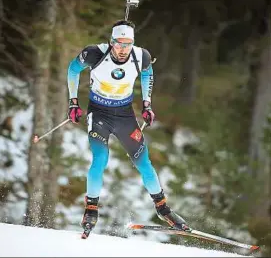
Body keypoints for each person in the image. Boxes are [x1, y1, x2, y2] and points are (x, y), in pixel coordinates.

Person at [66, 20, 190, 234]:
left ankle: (163, 209)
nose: (123, 49)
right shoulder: (94, 53)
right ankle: (91, 209)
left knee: (143, 161)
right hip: (99, 114)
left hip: (125, 115)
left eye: (128, 44)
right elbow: (73, 69)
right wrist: (73, 102)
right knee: (100, 159)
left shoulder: (141, 56)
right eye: (119, 44)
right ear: (111, 41)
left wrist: (147, 104)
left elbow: (147, 73)